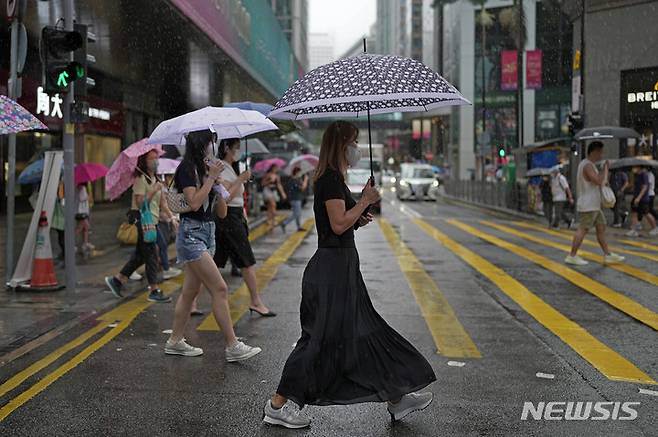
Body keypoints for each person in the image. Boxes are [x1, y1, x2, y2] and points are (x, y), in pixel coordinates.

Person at [263, 121, 436, 429]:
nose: (356, 149)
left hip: (342, 269)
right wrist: (364, 202)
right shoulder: (329, 180)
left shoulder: (334, 179)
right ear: (340, 144)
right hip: (330, 272)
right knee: (317, 339)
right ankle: (277, 404)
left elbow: (342, 222)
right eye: (353, 142)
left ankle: (396, 398)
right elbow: (339, 224)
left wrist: (359, 216)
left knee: (364, 332)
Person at [165, 130, 261, 361]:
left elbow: (222, 211)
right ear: (202, 143)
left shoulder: (208, 170)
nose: (214, 147)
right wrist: (210, 179)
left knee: (190, 291)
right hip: (191, 235)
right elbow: (195, 204)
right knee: (220, 288)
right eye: (211, 142)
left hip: (209, 234)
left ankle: (175, 340)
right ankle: (232, 345)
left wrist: (218, 188)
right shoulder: (187, 169)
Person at [215, 138, 274, 317]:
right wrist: (240, 180)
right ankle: (256, 301)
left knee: (213, 262)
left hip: (237, 216)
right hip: (228, 217)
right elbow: (225, 198)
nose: (239, 151)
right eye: (236, 148)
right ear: (226, 148)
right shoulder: (221, 168)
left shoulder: (235, 167)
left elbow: (239, 198)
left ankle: (192, 302)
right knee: (246, 260)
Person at [105, 150, 172, 303]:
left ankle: (118, 280)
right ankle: (154, 289)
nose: (155, 161)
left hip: (153, 222)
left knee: (140, 255)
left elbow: (162, 203)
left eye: (157, 158)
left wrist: (171, 217)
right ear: (144, 161)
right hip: (143, 221)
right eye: (152, 158)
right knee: (152, 255)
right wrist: (152, 191)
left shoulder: (155, 179)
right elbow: (141, 203)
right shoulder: (140, 179)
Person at [565, 141, 625, 266]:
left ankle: (608, 254)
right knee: (583, 229)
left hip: (594, 205)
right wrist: (605, 168)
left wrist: (604, 171)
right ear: (594, 151)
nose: (602, 155)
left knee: (601, 227)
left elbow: (601, 181)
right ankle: (572, 255)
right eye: (601, 152)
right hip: (588, 205)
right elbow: (598, 181)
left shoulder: (589, 165)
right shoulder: (587, 165)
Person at [626, 166, 658, 237]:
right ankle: (633, 230)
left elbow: (645, 187)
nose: (633, 169)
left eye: (634, 167)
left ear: (639, 167)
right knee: (634, 212)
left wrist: (639, 198)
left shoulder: (644, 174)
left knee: (646, 213)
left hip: (643, 198)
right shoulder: (637, 175)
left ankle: (655, 227)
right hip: (636, 197)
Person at [280, 166, 308, 233]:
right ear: (297, 172)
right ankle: (284, 223)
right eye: (300, 172)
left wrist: (301, 180)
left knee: (298, 213)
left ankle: (299, 227)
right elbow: (302, 188)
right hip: (295, 199)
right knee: (296, 214)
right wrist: (306, 180)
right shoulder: (293, 181)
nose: (301, 173)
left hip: (297, 198)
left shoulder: (297, 179)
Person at [75, 182, 93, 255]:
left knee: (85, 228)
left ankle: (85, 243)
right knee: (81, 228)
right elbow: (82, 198)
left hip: (83, 211)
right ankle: (71, 243)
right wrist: (88, 197)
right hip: (81, 211)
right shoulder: (81, 188)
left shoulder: (78, 187)